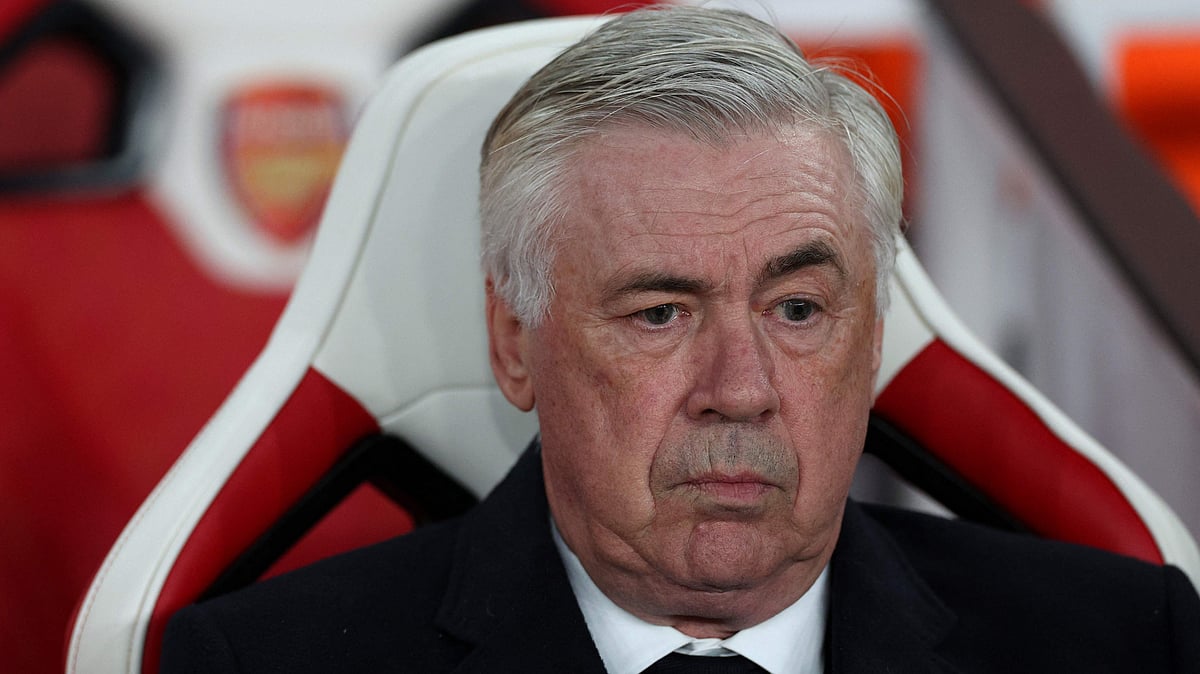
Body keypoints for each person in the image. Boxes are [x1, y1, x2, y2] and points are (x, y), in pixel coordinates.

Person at [162, 6, 1200, 673]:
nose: (740, 389)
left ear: (872, 333)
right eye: (660, 312)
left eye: (797, 309)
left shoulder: (1124, 643)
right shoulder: (263, 662)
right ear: (514, 341)